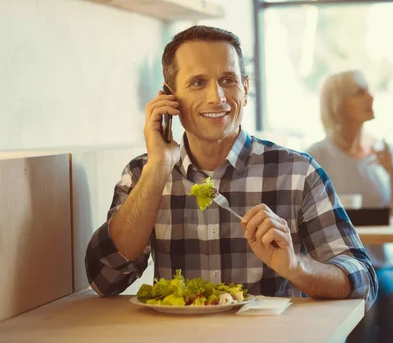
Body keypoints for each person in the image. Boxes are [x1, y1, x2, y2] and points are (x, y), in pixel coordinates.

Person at [84, 25, 378, 310]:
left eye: (227, 80)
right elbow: (104, 279)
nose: (217, 97)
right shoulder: (143, 173)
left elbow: (363, 279)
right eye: (198, 83)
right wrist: (158, 167)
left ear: (245, 88)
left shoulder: (299, 173)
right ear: (169, 97)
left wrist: (295, 266)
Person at [306, 69, 393, 343]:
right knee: (364, 315)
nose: (371, 97)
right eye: (360, 92)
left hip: (382, 263)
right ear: (339, 105)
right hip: (336, 264)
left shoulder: (386, 153)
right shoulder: (316, 156)